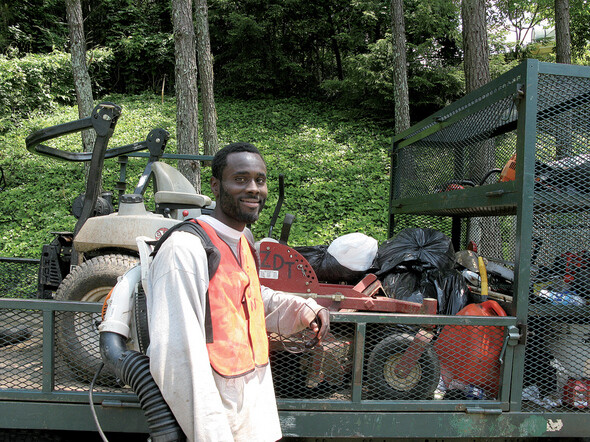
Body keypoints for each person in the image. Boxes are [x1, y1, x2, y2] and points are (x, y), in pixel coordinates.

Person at [146, 142, 330, 442]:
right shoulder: (186, 249)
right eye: (241, 179)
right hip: (216, 414)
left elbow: (248, 300)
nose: (254, 189)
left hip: (250, 404)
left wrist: (303, 308)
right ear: (216, 187)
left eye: (260, 179)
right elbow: (177, 357)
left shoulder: (243, 240)